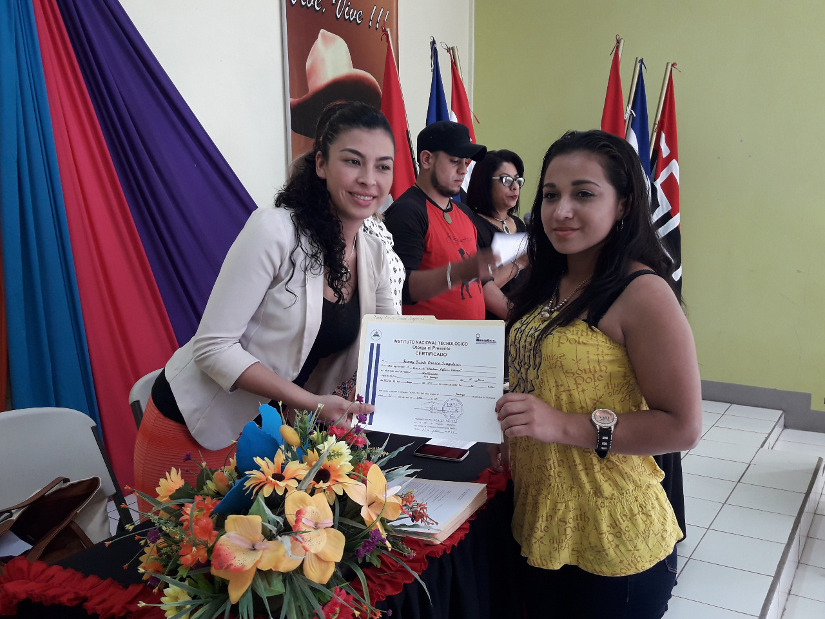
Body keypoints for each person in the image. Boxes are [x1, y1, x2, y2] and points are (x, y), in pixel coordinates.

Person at [133, 102, 397, 497]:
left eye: (383, 166)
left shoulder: (374, 252)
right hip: (199, 429)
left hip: (276, 440)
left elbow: (391, 342)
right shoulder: (274, 230)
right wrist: (310, 402)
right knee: (183, 537)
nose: (369, 180)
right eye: (353, 161)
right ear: (321, 164)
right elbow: (213, 347)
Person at [492, 130, 702, 618]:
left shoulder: (642, 292)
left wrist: (560, 425)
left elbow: (682, 426)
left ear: (623, 204)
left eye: (583, 194)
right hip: (541, 521)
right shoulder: (550, 280)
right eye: (550, 195)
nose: (561, 210)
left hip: (614, 540)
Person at [383, 121, 493, 320]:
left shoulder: (464, 211)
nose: (463, 170)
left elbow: (481, 282)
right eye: (455, 161)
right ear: (426, 160)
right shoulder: (407, 212)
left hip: (473, 337)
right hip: (427, 340)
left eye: (466, 162)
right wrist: (455, 273)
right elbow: (398, 288)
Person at [465, 149, 529, 320]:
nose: (514, 186)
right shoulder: (471, 225)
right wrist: (519, 262)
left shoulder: (519, 224)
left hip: (523, 319)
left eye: (517, 180)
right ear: (485, 183)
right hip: (491, 325)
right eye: (506, 180)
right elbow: (478, 287)